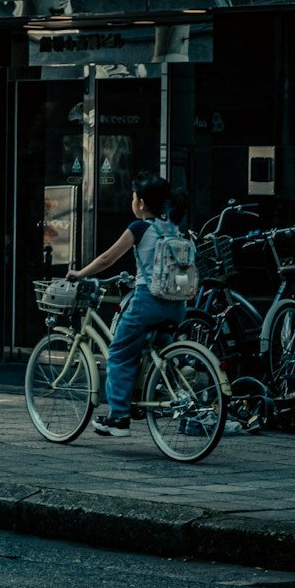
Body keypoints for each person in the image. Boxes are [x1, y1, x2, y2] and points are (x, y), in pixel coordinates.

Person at [66, 173, 188, 438]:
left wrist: (80, 274)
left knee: (120, 353)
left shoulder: (139, 228)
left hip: (148, 302)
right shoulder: (173, 228)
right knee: (159, 355)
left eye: (133, 197)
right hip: (176, 305)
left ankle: (119, 417)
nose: (132, 202)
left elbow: (108, 258)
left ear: (141, 203)